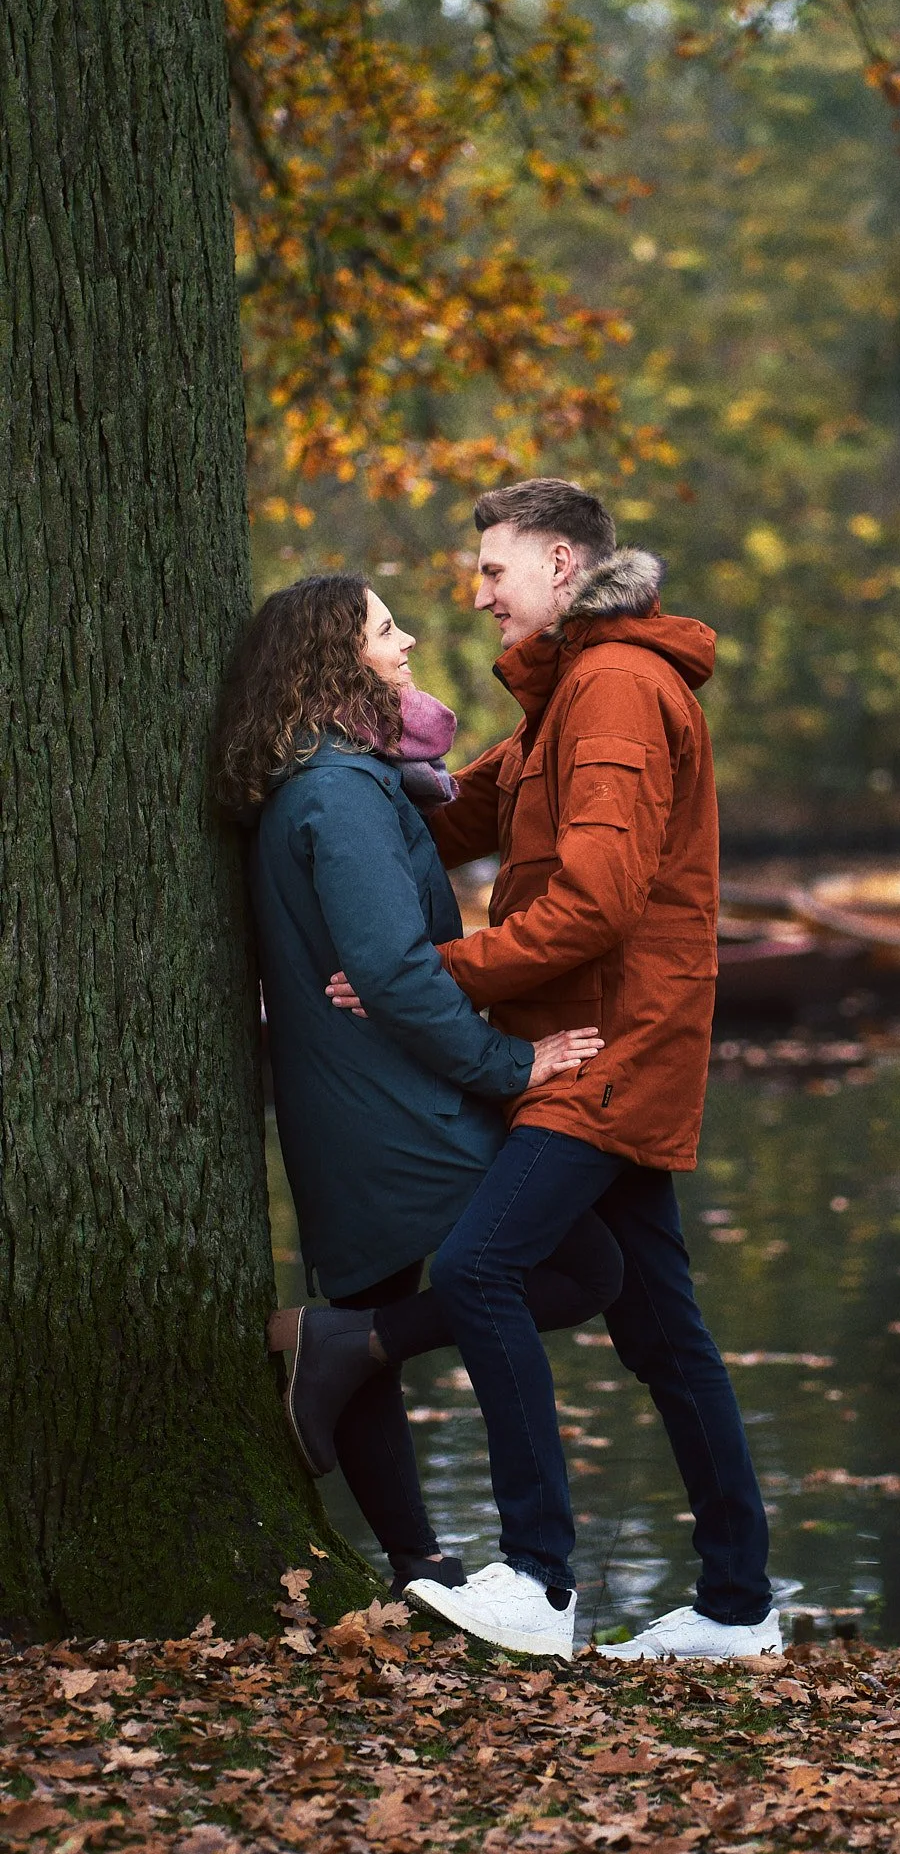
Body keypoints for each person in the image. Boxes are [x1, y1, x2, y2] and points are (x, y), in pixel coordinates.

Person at [305, 481, 780, 1661]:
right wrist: (325, 789)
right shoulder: (577, 687)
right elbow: (465, 814)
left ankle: (537, 1576)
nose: (477, 596)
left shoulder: (614, 686)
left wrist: (432, 974)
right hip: (594, 1038)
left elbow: (598, 902)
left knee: (481, 1266)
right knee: (662, 1327)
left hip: (606, 1046)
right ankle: (739, 1605)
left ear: (562, 565)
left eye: (493, 570)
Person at [213, 572, 616, 1599]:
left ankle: (418, 1563)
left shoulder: (338, 777)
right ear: (332, 658)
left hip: (357, 1093)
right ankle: (355, 1384)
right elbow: (392, 971)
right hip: (394, 1100)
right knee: (582, 1268)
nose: (407, 643)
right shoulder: (339, 793)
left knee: (365, 1317)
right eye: (385, 629)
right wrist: (511, 1064)